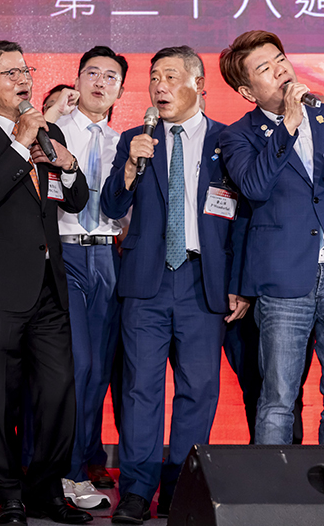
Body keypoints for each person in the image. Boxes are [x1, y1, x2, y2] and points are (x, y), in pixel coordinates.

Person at [100, 46, 249, 525]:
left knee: (198, 390)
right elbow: (111, 205)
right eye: (154, 77)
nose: (159, 86)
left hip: (204, 281)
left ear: (199, 84)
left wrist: (240, 284)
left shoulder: (229, 140)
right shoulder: (135, 139)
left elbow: (245, 218)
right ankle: (136, 491)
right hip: (146, 281)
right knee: (140, 390)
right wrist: (129, 168)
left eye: (170, 76)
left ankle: (181, 490)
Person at [0, 40, 90, 526]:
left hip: (48, 287)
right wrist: (17, 145)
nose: (23, 79)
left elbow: (74, 201)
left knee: (59, 395)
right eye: (10, 73)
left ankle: (46, 491)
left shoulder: (49, 133)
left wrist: (68, 166)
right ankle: (8, 495)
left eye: (25, 70)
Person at [217, 30, 324, 446]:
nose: (280, 70)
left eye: (280, 59)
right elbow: (255, 187)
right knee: (279, 397)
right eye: (265, 67)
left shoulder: (322, 114)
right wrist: (289, 126)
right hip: (283, 281)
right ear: (247, 91)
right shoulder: (237, 135)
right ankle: (273, 484)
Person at [52, 47, 128, 507]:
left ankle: (79, 465)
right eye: (92, 73)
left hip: (108, 256)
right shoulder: (54, 130)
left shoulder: (124, 142)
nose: (100, 82)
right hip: (64, 252)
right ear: (77, 80)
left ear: (120, 89)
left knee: (98, 370)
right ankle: (66, 472)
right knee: (76, 365)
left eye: (111, 77)